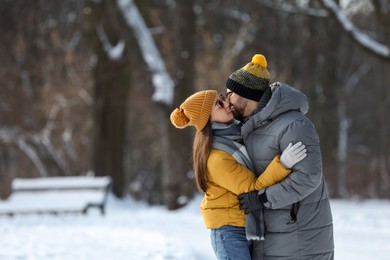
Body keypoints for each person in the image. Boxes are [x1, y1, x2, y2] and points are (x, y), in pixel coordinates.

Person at [170, 90, 307, 260]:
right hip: (229, 232)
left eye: (223, 98)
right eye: (218, 105)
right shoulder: (217, 158)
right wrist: (283, 164)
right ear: (208, 119)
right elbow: (252, 188)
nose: (227, 104)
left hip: (245, 226)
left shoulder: (235, 136)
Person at [225, 53, 334, 259]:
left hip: (299, 238)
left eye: (230, 93)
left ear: (245, 95)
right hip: (272, 237)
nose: (227, 98)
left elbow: (308, 177)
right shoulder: (250, 126)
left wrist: (263, 199)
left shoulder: (293, 125)